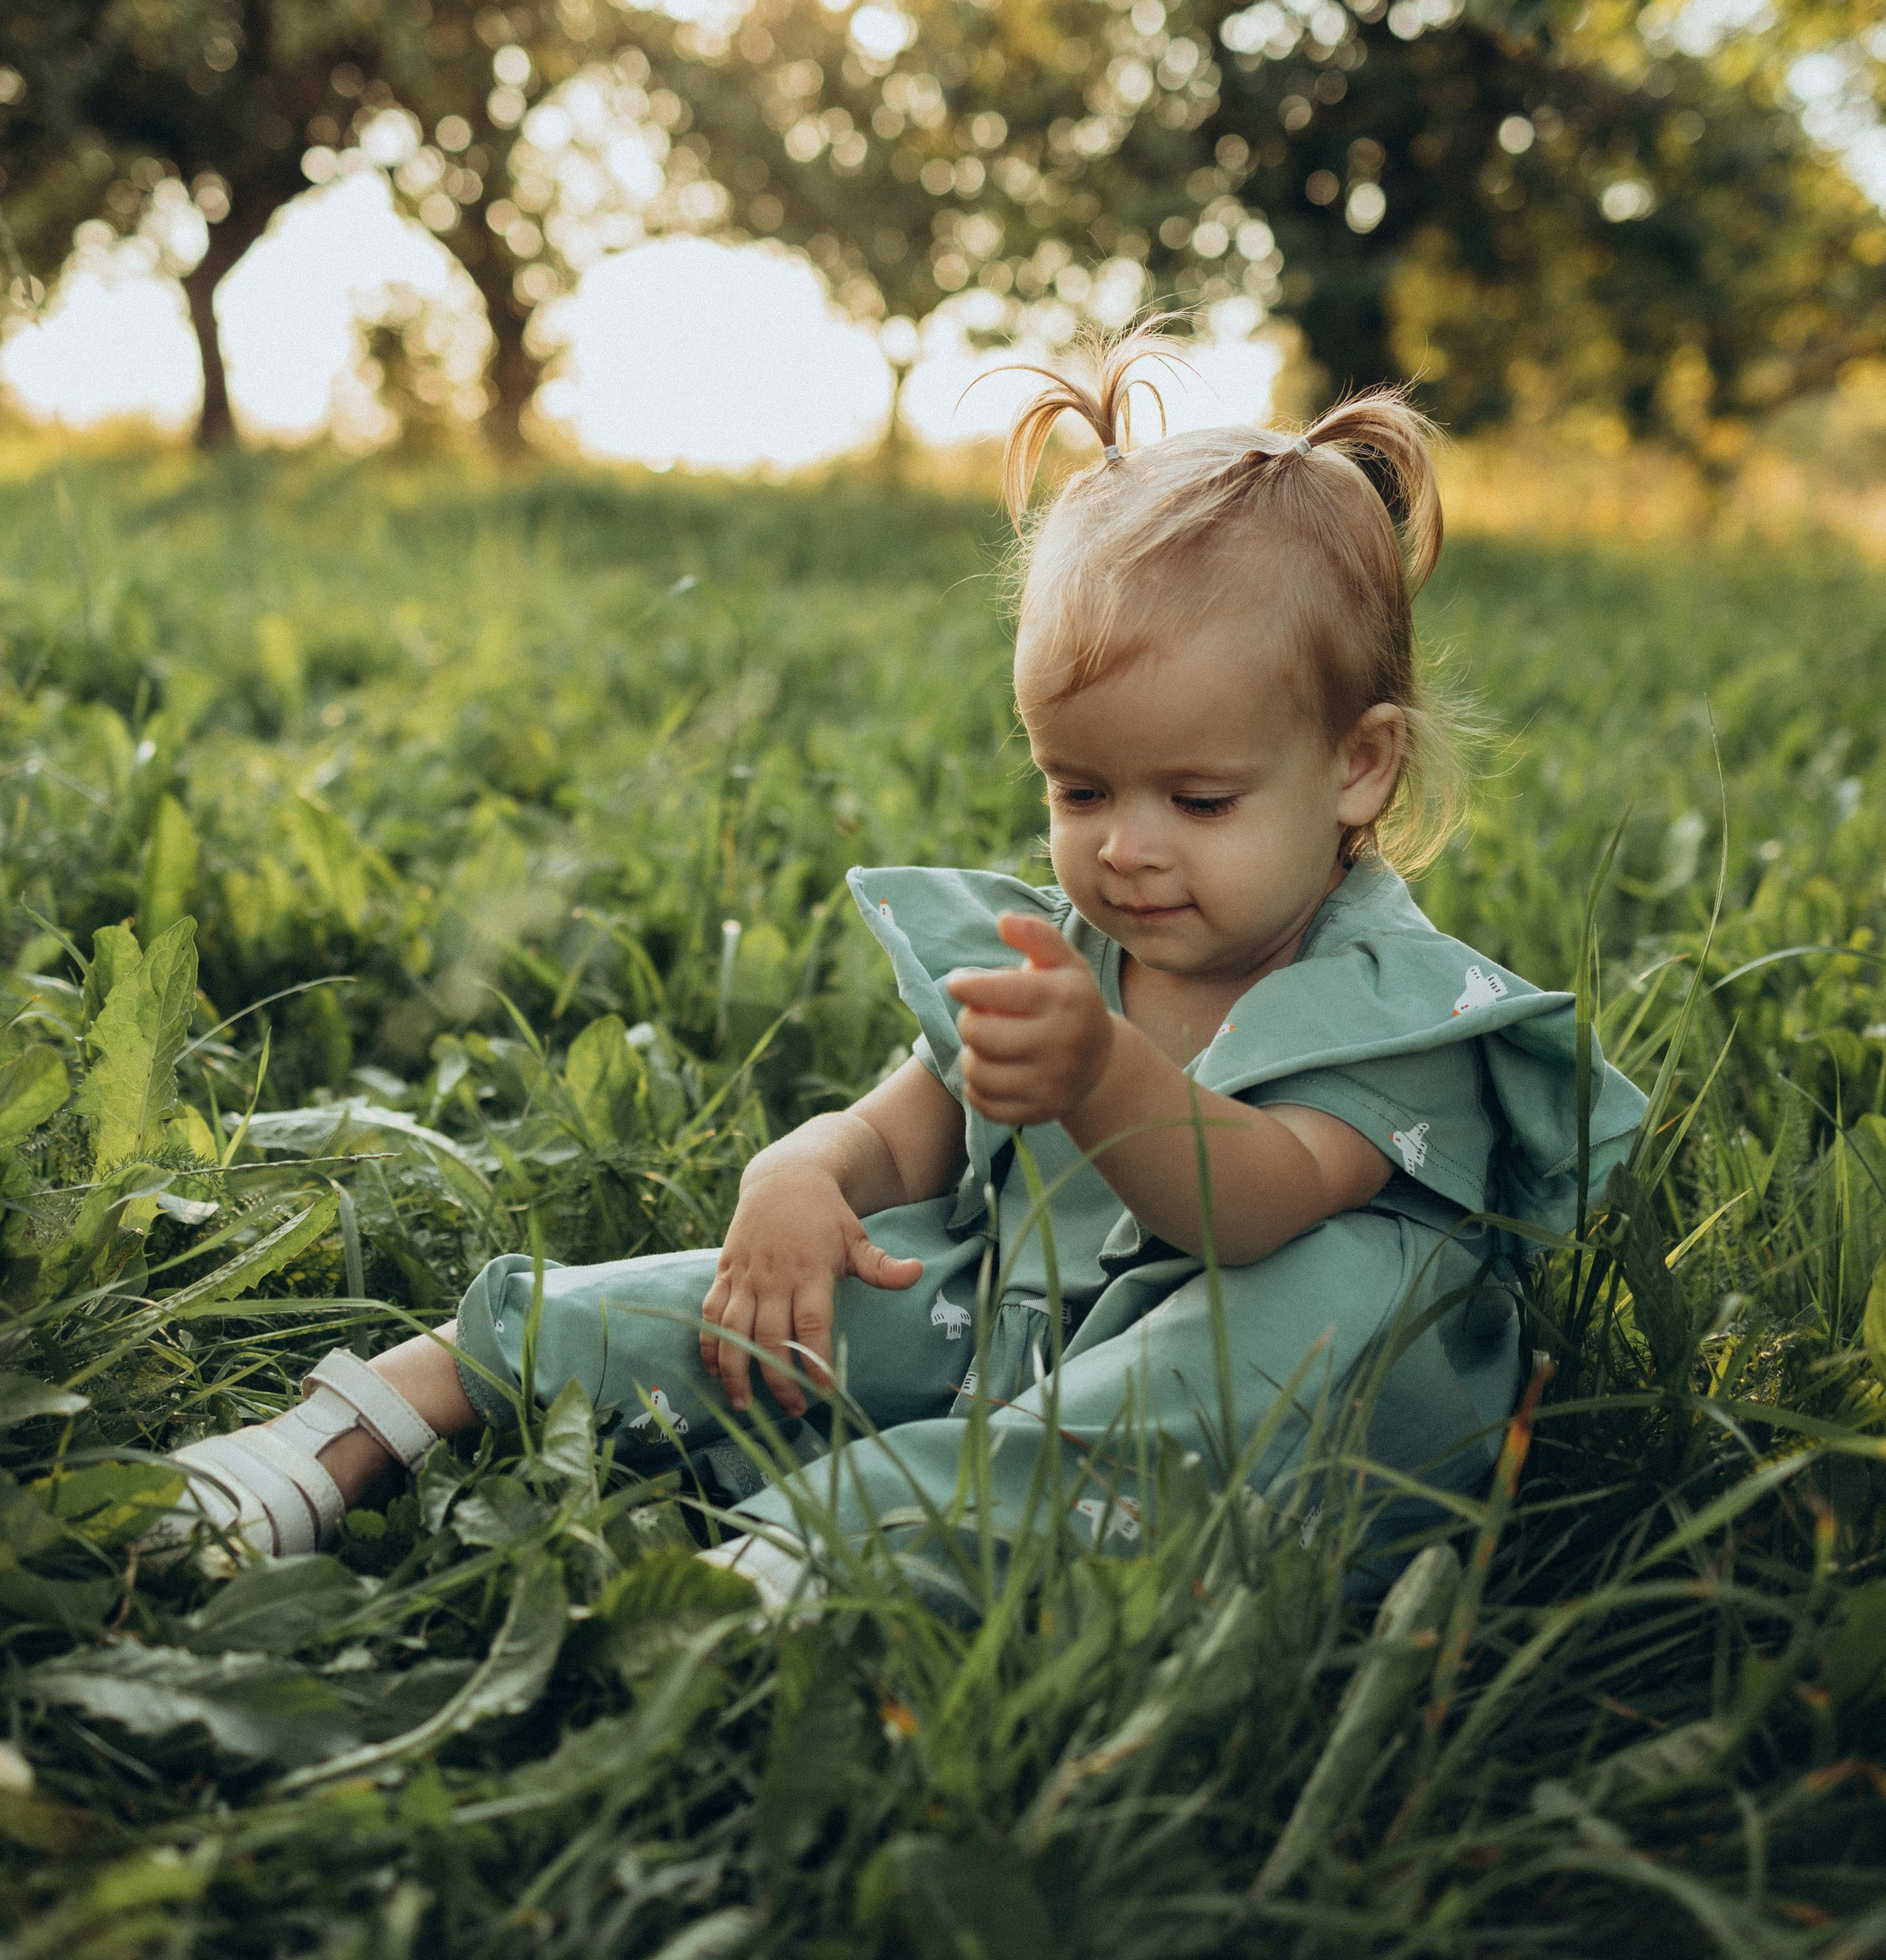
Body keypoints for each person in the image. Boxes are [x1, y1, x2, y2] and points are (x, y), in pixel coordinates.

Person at [156, 354, 1646, 1600]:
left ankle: (841, 1552)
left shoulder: (1395, 1008)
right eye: (1077, 790)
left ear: (1357, 767)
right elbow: (896, 1137)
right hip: (1000, 1330)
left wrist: (1100, 1075)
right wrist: (801, 1175)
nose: (1125, 849)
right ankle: (370, 1428)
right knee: (770, 1299)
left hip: (1265, 1387)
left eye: (1198, 801)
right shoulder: (1057, 955)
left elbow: (1249, 1206)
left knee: (1291, 1317)